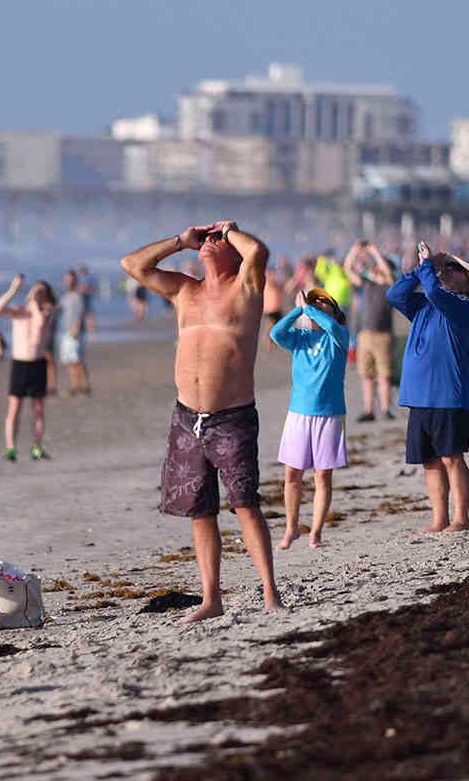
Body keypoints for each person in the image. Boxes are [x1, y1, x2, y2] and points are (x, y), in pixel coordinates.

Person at [120, 220, 284, 622]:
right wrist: (179, 241)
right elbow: (132, 265)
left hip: (232, 417)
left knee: (245, 505)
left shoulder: (245, 288)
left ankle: (270, 592)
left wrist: (229, 231)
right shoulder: (184, 290)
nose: (210, 243)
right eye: (207, 239)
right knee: (201, 511)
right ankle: (212, 598)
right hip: (186, 418)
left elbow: (259, 252)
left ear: (233, 249)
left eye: (218, 240)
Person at [387, 243, 469, 534]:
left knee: (452, 457)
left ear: (467, 282)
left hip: (448, 395)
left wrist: (429, 264)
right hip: (419, 395)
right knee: (429, 461)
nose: (448, 271)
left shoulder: (462, 306)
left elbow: (437, 292)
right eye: (447, 267)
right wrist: (420, 268)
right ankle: (439, 519)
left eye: (455, 269)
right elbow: (395, 294)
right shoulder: (425, 306)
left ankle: (461, 518)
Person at [269, 288, 351, 550]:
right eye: (314, 301)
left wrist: (309, 308)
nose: (317, 305)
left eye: (323, 302)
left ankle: (316, 532)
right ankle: (292, 527)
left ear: (335, 311)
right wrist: (298, 310)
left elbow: (331, 324)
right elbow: (276, 333)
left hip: (329, 414)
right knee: (292, 474)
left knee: (322, 476)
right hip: (298, 413)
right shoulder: (300, 338)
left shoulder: (339, 337)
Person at [0, 275, 56, 461]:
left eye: (42, 291)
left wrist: (36, 302)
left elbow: (40, 325)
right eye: (36, 289)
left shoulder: (46, 311)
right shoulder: (20, 311)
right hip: (19, 363)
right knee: (14, 407)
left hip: (38, 362)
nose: (37, 293)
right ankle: (10, 447)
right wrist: (13, 290)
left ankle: (37, 446)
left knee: (38, 408)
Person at [343, 241, 396, 422]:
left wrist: (375, 252)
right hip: (365, 333)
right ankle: (369, 409)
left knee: (384, 374)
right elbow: (348, 269)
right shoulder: (367, 283)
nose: (376, 268)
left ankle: (386, 408)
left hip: (383, 335)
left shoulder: (390, 285)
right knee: (367, 374)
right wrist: (354, 251)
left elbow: (388, 274)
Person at [58, 270, 91, 395]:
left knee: (78, 360)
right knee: (69, 360)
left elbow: (81, 313)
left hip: (76, 332)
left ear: (75, 280)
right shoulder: (65, 296)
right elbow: (58, 309)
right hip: (65, 331)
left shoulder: (78, 295)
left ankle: (85, 385)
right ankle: (75, 385)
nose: (68, 282)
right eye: (66, 279)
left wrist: (76, 328)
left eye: (70, 279)